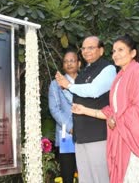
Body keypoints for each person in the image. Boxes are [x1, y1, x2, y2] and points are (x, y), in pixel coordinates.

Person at [72, 34, 139, 183]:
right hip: (125, 140)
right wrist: (84, 110)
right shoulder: (119, 77)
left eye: (120, 50)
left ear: (133, 53)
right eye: (114, 51)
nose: (116, 54)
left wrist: (116, 119)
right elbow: (113, 112)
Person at [56, 36, 116, 183]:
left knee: (101, 177)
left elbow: (94, 90)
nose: (86, 51)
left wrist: (69, 86)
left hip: (98, 134)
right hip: (80, 135)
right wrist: (65, 88)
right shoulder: (83, 71)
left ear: (101, 50)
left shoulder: (108, 68)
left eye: (91, 47)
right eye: (83, 48)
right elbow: (77, 98)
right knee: (85, 178)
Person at [48, 50, 79, 183]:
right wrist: (71, 128)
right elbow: (54, 109)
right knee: (67, 175)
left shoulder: (86, 82)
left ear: (79, 63)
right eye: (66, 61)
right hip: (66, 134)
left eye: (72, 61)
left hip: (88, 134)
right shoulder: (55, 84)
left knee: (87, 173)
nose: (69, 64)